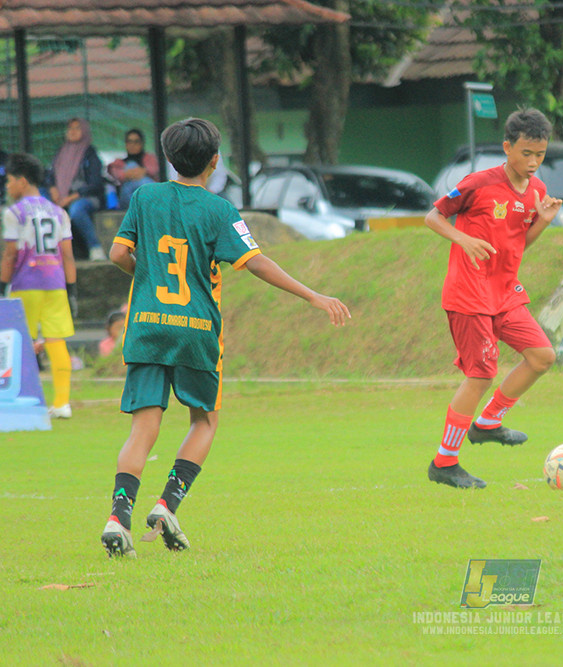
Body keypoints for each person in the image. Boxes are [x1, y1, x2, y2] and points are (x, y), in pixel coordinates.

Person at [100, 118, 351, 558]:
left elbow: (119, 253)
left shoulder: (145, 196)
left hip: (146, 327)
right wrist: (312, 295)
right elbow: (255, 262)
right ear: (214, 162)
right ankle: (167, 504)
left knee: (144, 426)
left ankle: (118, 517)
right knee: (204, 420)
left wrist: (147, 276)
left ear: (169, 158)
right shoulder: (219, 211)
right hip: (196, 330)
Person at [424, 108, 563, 489]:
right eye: (526, 153)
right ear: (507, 148)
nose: (533, 162)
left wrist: (542, 222)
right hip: (469, 294)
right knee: (480, 374)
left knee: (542, 356)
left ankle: (488, 423)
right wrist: (463, 239)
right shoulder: (479, 183)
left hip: (504, 293)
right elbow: (433, 218)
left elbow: (520, 243)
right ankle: (444, 462)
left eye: (540, 155)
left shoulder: (537, 191)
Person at [0, 152, 78, 419]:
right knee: (56, 341)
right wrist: (72, 290)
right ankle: (62, 403)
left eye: (9, 181)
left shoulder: (14, 212)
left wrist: (2, 286)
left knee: (18, 341)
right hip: (55, 283)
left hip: (26, 283)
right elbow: (67, 255)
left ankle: (20, 401)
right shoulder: (58, 211)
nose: (7, 186)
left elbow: (10, 254)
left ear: (22, 181)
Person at [45, 118, 106, 261]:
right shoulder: (61, 152)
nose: (72, 131)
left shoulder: (90, 154)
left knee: (77, 211)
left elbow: (95, 183)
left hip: (86, 197)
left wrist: (71, 198)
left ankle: (95, 248)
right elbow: (50, 175)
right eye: (70, 128)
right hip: (61, 197)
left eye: (77, 128)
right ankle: (51, 253)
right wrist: (53, 189)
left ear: (84, 131)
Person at [108, 128, 160, 209]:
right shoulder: (119, 163)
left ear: (142, 143)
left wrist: (140, 172)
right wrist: (133, 173)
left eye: (136, 142)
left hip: (141, 196)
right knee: (131, 165)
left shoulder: (150, 159)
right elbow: (115, 173)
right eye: (129, 142)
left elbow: (154, 170)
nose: (132, 145)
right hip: (128, 198)